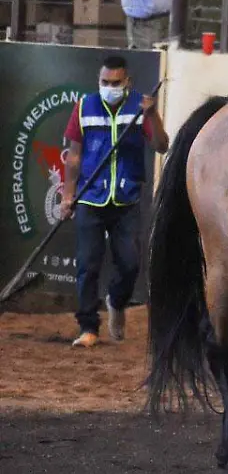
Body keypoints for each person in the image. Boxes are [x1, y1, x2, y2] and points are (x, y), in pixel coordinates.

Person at [60, 55, 169, 348]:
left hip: (127, 199)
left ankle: (116, 302)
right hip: (90, 198)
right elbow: (74, 155)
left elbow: (162, 145)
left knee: (131, 264)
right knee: (87, 265)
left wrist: (152, 116)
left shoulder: (139, 108)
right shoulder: (84, 106)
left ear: (127, 82)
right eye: (104, 82)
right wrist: (68, 195)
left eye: (115, 83)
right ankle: (88, 327)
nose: (109, 87)